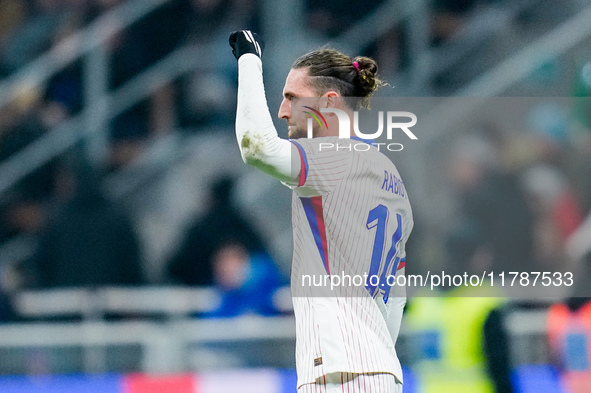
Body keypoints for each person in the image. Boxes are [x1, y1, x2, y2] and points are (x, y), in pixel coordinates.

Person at [229, 30, 413, 392]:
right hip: (377, 370)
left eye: (291, 98)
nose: (282, 111)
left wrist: (248, 58)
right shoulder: (388, 174)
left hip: (341, 374)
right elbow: (395, 299)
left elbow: (256, 146)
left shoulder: (334, 156)